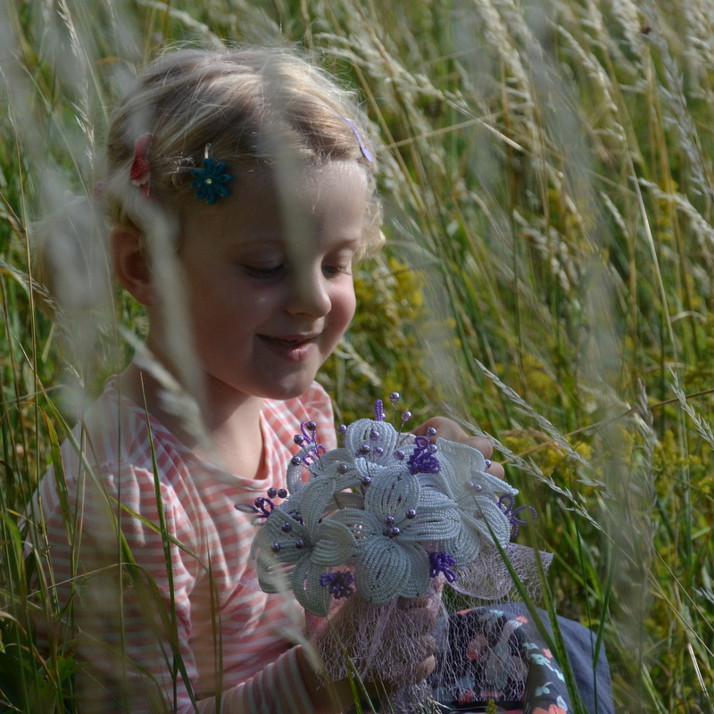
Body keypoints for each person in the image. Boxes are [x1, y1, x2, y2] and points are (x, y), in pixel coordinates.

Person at [25, 47, 613, 714]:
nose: (312, 300)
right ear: (145, 267)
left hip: (346, 688)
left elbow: (335, 588)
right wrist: (328, 679)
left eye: (336, 265)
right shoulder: (126, 497)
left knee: (554, 645)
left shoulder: (295, 411)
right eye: (267, 267)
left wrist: (417, 493)